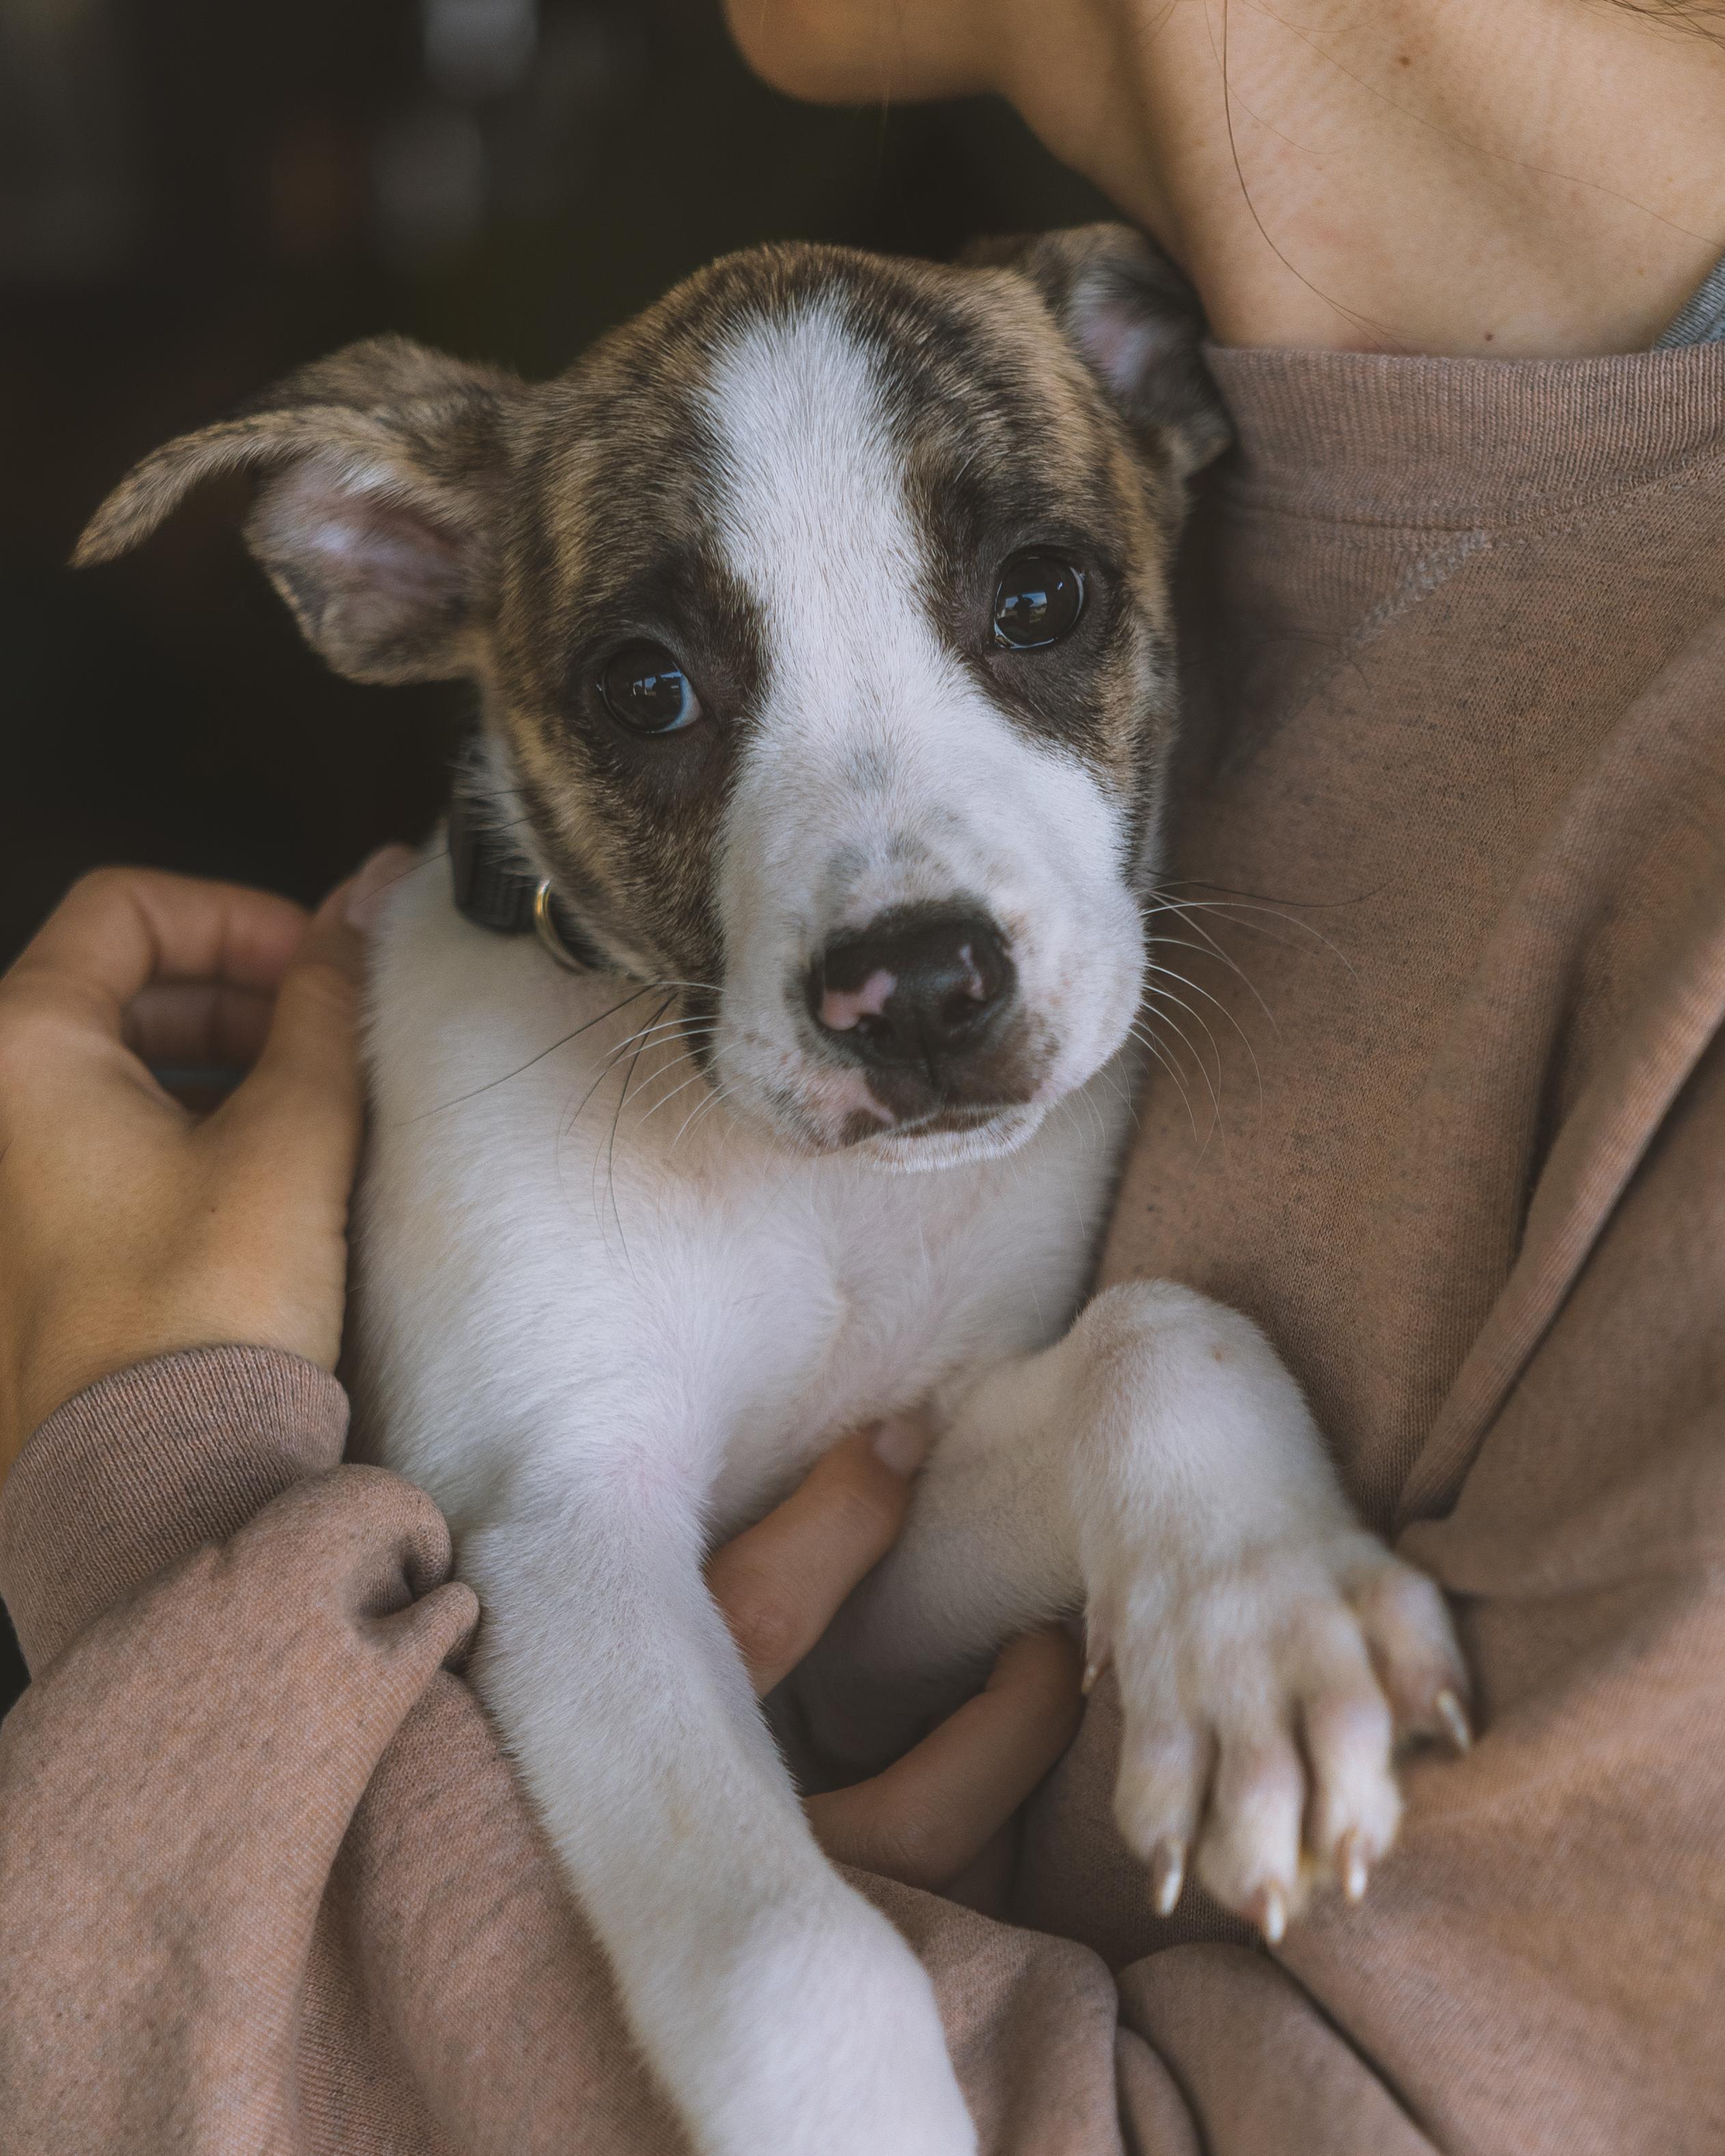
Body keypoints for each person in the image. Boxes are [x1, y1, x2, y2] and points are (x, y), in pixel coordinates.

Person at [5, 0, 1725, 2146]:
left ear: (1157, 404)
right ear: (390, 564)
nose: (899, 926)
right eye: (655, 687)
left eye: (1032, 600)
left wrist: (142, 1482)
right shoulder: (478, 1051)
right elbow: (600, 1546)